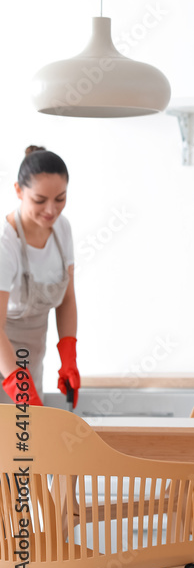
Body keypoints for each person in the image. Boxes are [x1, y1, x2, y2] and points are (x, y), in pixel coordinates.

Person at [0, 146, 79, 408]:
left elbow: (67, 298)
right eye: (40, 200)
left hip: (31, 354)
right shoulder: (5, 243)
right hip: (4, 355)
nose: (51, 210)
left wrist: (68, 356)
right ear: (19, 191)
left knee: (28, 442)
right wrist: (20, 388)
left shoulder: (62, 229)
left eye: (60, 198)